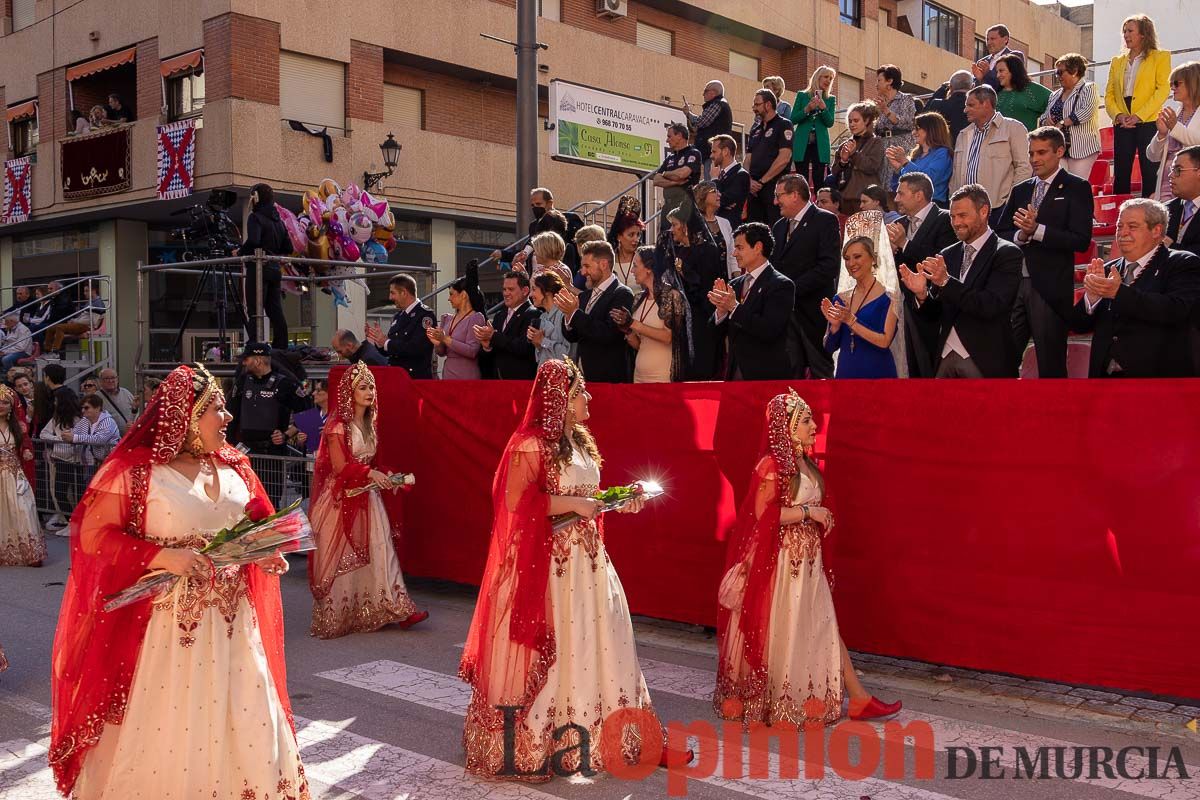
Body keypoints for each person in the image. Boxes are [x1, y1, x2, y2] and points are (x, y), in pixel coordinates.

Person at [49, 364, 307, 800]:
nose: (228, 419)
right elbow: (94, 536)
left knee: (247, 710)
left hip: (234, 626)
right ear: (187, 415)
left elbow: (261, 523)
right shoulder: (135, 472)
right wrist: (159, 555)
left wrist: (267, 554)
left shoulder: (237, 466)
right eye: (217, 410)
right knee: (171, 718)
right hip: (165, 631)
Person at [460, 358, 689, 780]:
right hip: (552, 568)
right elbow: (515, 504)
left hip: (590, 559)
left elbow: (588, 495)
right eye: (580, 391)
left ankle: (627, 736)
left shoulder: (579, 440)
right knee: (568, 645)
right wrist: (574, 505)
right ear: (561, 400)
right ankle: (549, 742)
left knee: (609, 640)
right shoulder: (531, 444)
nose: (588, 397)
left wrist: (618, 499)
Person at [715, 390, 902, 727]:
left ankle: (858, 698)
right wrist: (809, 512)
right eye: (805, 421)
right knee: (794, 627)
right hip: (784, 564)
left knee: (823, 625)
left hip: (807, 562)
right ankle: (846, 699)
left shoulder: (804, 463)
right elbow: (762, 515)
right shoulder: (772, 465)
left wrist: (819, 517)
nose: (814, 426)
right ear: (786, 427)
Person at [309, 363, 427, 638]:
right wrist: (369, 473)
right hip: (341, 498)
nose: (370, 392)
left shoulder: (369, 423)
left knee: (381, 548)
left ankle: (395, 607)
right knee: (342, 555)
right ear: (350, 392)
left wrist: (389, 478)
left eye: (372, 387)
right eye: (363, 387)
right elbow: (339, 468)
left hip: (368, 495)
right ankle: (341, 613)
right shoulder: (338, 426)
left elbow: (373, 462)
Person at [997, 126, 1094, 378]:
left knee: (1051, 365)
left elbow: (1081, 240)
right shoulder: (1021, 190)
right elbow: (1002, 233)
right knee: (1003, 360)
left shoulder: (1077, 187)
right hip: (1014, 285)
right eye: (1031, 153)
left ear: (1060, 151)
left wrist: (1037, 230)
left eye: (1041, 152)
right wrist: (1021, 235)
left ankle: (1058, 416)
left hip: (1049, 289)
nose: (1034, 159)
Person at [900, 184, 1023, 378]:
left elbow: (991, 305)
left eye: (962, 215)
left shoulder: (1006, 253)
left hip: (986, 359)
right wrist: (922, 295)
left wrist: (947, 282)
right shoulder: (947, 254)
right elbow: (936, 313)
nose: (956, 222)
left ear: (983, 212)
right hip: (943, 358)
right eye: (952, 216)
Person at [1069, 198, 1200, 377]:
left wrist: (1118, 292)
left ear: (1156, 230)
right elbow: (1079, 325)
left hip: (1158, 383)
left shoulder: (1181, 262)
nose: (1123, 233)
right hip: (1106, 382)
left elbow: (1176, 310)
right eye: (1119, 226)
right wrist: (1091, 298)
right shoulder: (1108, 269)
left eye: (1132, 226)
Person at [887, 172, 960, 377]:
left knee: (928, 364)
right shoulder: (900, 223)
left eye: (901, 193)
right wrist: (889, 252)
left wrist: (904, 244)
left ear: (919, 195)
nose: (896, 199)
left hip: (932, 305)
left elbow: (941, 261)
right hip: (902, 304)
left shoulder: (945, 220)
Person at [771, 174, 841, 379]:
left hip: (815, 314)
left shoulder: (825, 220)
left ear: (794, 195)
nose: (775, 201)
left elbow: (829, 266)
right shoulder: (779, 226)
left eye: (779, 195)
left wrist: (792, 288)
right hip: (787, 317)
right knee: (792, 374)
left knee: (822, 372)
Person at [710, 222, 796, 379]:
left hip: (765, 376)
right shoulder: (734, 284)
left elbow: (769, 330)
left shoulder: (781, 285)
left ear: (757, 247)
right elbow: (715, 335)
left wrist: (734, 307)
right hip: (734, 373)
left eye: (739, 248)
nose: (734, 253)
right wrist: (721, 311)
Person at [228, 342, 310, 505]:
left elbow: (308, 413)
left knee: (270, 502)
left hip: (272, 454)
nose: (243, 363)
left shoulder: (285, 384)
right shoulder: (243, 381)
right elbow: (231, 413)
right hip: (246, 452)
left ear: (258, 360)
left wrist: (286, 435)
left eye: (247, 359)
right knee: (244, 501)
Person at [822, 225, 904, 378]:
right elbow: (829, 347)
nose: (851, 263)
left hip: (878, 374)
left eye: (857, 256)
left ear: (873, 258)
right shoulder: (841, 298)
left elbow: (885, 341)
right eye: (847, 258)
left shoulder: (890, 297)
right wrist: (834, 327)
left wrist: (851, 321)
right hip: (846, 373)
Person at [1105, 14, 1172, 198]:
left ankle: (1149, 214)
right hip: (1122, 120)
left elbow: (1162, 89)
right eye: (1124, 31)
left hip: (1148, 120)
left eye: (1130, 31)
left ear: (1143, 33)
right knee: (1121, 172)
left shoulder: (1160, 57)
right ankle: (1121, 213)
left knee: (1149, 171)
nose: (1126, 35)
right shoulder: (1117, 61)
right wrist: (1118, 115)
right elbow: (1109, 94)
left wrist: (1140, 115)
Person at [557, 241, 635, 383]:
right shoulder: (585, 295)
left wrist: (574, 313)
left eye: (587, 266)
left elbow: (608, 334)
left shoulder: (622, 293)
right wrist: (568, 315)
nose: (582, 272)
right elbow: (573, 336)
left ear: (603, 264)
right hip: (584, 377)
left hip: (609, 379)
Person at [951, 86, 1031, 219]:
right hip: (966, 211)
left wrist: (1009, 202)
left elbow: (1024, 168)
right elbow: (955, 176)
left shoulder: (1014, 128)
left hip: (998, 209)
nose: (965, 110)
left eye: (971, 105)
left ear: (986, 104)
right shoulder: (963, 134)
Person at [612, 245, 688, 383]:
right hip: (639, 375)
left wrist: (633, 323)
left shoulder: (672, 295)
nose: (632, 271)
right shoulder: (639, 298)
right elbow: (639, 344)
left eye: (635, 266)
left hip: (663, 375)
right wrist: (627, 330)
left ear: (648, 268)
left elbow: (668, 337)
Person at [662, 206, 722, 380]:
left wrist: (685, 273)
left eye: (674, 225)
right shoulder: (679, 252)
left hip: (702, 321)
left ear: (686, 226)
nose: (671, 230)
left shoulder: (708, 251)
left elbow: (707, 288)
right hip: (682, 322)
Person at [239, 183, 292, 350]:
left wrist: (239, 252)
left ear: (255, 197)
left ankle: (255, 344)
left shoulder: (255, 217)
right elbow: (288, 248)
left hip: (258, 268)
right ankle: (281, 344)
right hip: (275, 268)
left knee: (255, 308)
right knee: (274, 309)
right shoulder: (279, 220)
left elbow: (254, 241)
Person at [0, 383, 42, 567]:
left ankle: (31, 552)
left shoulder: (18, 427)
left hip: (15, 475)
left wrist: (26, 452)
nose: (1, 405)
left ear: (11, 406)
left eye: (4, 402)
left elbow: (26, 445)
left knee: (24, 509)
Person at [1040, 54, 1102, 181]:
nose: (1057, 76)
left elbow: (1087, 111)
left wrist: (1062, 123)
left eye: (1060, 72)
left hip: (1082, 148)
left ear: (1074, 72)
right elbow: (1043, 116)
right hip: (1058, 149)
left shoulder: (1089, 88)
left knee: (1077, 184)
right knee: (1057, 182)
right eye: (1056, 72)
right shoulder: (1054, 95)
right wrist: (1045, 121)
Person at [1147, 61, 1200, 203]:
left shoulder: (1174, 120)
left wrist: (1174, 127)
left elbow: (1197, 146)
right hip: (1167, 184)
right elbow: (1152, 156)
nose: (1172, 88)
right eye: (1171, 84)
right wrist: (1162, 134)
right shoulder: (1175, 114)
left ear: (1192, 83)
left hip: (1191, 186)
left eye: (1176, 83)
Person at [366, 274, 436, 378]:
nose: (390, 297)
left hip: (415, 379)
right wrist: (379, 341)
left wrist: (386, 343)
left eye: (392, 293)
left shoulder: (425, 315)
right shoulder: (398, 316)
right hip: (397, 377)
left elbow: (417, 348)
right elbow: (391, 350)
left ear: (404, 293)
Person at [475, 271, 540, 380]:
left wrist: (494, 336)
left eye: (511, 289)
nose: (506, 293)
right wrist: (487, 347)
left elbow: (523, 348)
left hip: (520, 383)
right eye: (504, 289)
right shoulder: (500, 315)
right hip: (499, 383)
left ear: (525, 291)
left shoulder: (533, 314)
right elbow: (494, 352)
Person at [743, 89, 795, 226]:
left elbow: (784, 158)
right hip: (753, 190)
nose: (754, 108)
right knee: (753, 229)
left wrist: (761, 181)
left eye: (757, 104)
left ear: (768, 105)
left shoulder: (784, 125)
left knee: (775, 227)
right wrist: (749, 180)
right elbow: (748, 159)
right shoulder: (755, 129)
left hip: (773, 187)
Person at [428, 263, 486, 380]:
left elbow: (472, 351)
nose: (449, 298)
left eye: (451, 294)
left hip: (466, 377)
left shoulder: (476, 318)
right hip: (448, 375)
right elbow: (442, 352)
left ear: (463, 295)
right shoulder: (447, 318)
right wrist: (437, 343)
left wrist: (445, 339)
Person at [831, 101, 885, 216]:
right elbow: (834, 172)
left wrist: (854, 154)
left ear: (866, 121)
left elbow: (872, 167)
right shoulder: (844, 144)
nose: (852, 124)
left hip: (866, 199)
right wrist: (843, 161)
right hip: (844, 198)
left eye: (856, 120)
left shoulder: (876, 142)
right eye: (850, 121)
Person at [888, 111, 954, 205]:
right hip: (912, 203)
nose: (913, 132)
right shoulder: (916, 155)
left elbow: (928, 179)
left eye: (917, 128)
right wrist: (899, 168)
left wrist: (905, 162)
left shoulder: (942, 153)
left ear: (931, 130)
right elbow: (904, 185)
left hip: (933, 204)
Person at [41, 389, 83, 531]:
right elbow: (43, 434)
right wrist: (59, 439)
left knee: (80, 493)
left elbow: (79, 438)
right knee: (60, 493)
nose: (54, 402)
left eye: (56, 400)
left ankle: (79, 522)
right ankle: (72, 521)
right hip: (61, 460)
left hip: (77, 461)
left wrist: (68, 440)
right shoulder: (56, 418)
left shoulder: (80, 419)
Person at [790, 66, 837, 190]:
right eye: (826, 77)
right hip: (802, 143)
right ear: (818, 77)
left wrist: (823, 108)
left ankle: (819, 205)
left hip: (820, 144)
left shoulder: (830, 99)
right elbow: (792, 119)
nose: (828, 80)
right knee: (801, 181)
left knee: (819, 180)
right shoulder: (802, 95)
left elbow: (830, 122)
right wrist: (807, 109)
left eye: (831, 78)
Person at [874, 65, 917, 195]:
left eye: (879, 80)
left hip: (900, 145)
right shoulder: (881, 102)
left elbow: (908, 123)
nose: (876, 84)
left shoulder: (905, 99)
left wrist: (886, 111)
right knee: (882, 187)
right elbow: (878, 127)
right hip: (883, 146)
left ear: (890, 81)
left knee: (897, 184)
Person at [683, 80, 734, 178]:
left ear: (713, 92)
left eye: (705, 91)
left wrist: (688, 114)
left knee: (711, 181)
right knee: (709, 178)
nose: (703, 94)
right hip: (713, 150)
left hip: (715, 150)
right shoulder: (720, 104)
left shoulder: (717, 104)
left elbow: (702, 121)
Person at [652, 123, 703, 222]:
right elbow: (656, 180)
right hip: (667, 206)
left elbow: (682, 174)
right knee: (665, 236)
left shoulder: (693, 153)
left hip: (684, 206)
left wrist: (665, 174)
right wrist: (674, 182)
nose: (667, 140)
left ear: (679, 136)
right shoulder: (670, 158)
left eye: (669, 136)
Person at [43, 281, 106, 360]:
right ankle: (47, 351)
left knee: (60, 327)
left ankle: (55, 352)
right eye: (84, 291)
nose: (84, 293)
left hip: (86, 326)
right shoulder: (90, 302)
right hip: (80, 324)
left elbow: (92, 321)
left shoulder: (98, 303)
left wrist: (75, 321)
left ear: (93, 291)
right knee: (51, 328)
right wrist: (74, 320)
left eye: (87, 291)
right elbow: (83, 317)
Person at [65, 393, 121, 474]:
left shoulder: (108, 421)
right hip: (93, 463)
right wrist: (67, 434)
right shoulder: (85, 420)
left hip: (111, 464)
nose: (83, 410)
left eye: (86, 408)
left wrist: (74, 438)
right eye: (82, 408)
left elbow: (99, 440)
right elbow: (74, 432)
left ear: (97, 408)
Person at [994, 54, 1051, 132]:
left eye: (1001, 71)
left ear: (1013, 70)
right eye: (997, 72)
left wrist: (1047, 120)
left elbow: (1057, 102)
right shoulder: (996, 93)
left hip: (1025, 142)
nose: (998, 75)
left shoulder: (1032, 90)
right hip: (997, 142)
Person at [695, 180, 738, 278]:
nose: (719, 194)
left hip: (723, 281)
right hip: (699, 283)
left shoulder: (725, 223)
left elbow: (732, 254)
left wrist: (737, 277)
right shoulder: (693, 223)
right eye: (714, 191)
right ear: (702, 195)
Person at [526, 271, 571, 365]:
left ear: (547, 292)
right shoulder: (542, 317)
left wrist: (543, 340)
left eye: (534, 289)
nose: (530, 295)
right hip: (545, 374)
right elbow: (541, 357)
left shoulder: (565, 315)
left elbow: (568, 355)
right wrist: (537, 343)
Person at [1165, 145, 1200, 256]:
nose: (1171, 175)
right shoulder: (1165, 209)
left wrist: (1171, 247)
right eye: (1172, 170)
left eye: (1178, 170)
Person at [711, 133, 750, 229]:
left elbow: (722, 200)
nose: (711, 155)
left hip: (730, 229)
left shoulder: (741, 175)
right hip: (716, 227)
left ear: (725, 151)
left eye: (714, 151)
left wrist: (715, 180)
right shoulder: (716, 173)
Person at [973, 24, 1025, 91]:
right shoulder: (982, 61)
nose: (989, 42)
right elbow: (975, 88)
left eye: (992, 39)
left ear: (1005, 39)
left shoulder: (1014, 56)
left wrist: (987, 73)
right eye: (987, 39)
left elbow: (1011, 81)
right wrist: (980, 79)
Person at [926, 70, 973, 141]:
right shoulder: (977, 108)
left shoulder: (937, 105)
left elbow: (923, 117)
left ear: (950, 87)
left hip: (941, 147)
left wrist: (942, 89)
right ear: (972, 87)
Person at [607, 202, 645, 290]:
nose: (636, 239)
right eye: (631, 235)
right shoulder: (609, 259)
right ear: (619, 236)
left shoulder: (643, 258)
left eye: (638, 235)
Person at [291, 378, 328, 455]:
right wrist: (301, 439)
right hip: (313, 462)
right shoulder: (311, 415)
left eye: (318, 390)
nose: (313, 393)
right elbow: (301, 444)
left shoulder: (339, 416)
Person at [95, 368, 135, 435]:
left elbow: (136, 411)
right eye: (106, 378)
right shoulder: (96, 397)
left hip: (127, 438)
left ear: (117, 379)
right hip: (108, 441)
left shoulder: (126, 393)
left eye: (113, 378)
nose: (110, 381)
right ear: (100, 381)